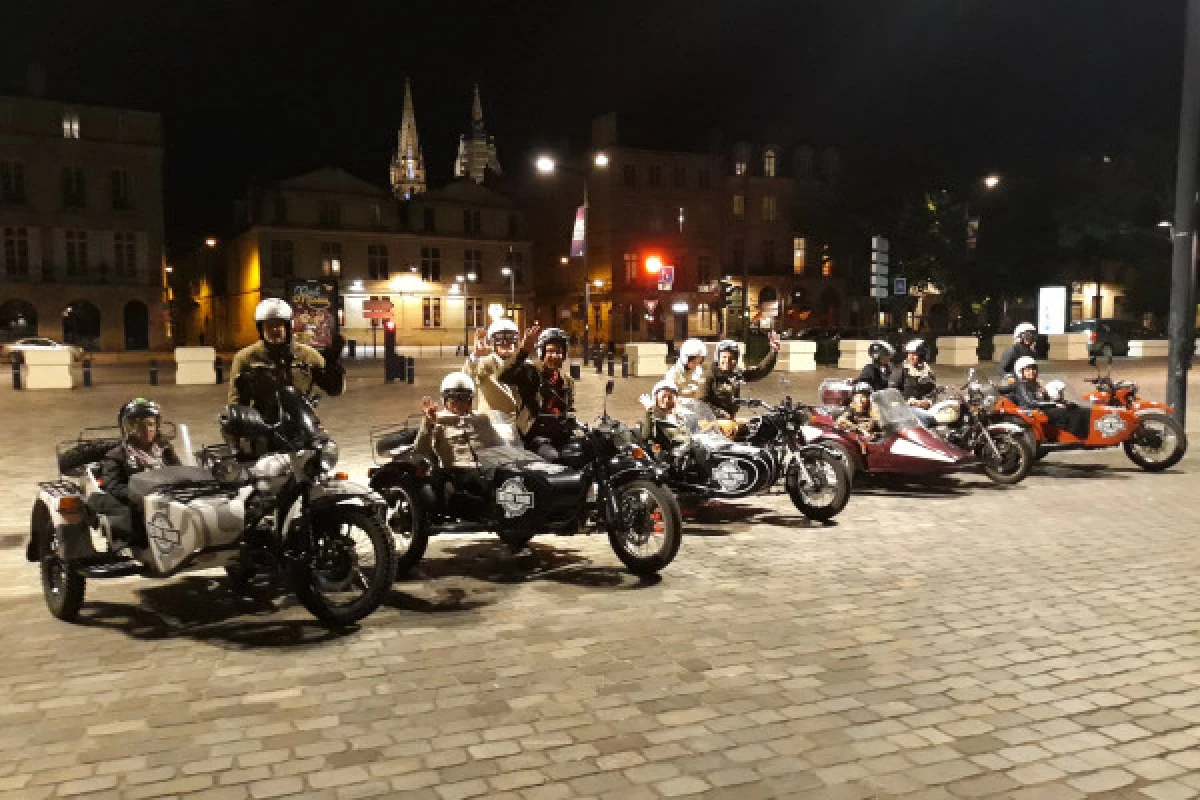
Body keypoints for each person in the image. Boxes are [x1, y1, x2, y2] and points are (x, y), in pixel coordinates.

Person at [416, 372, 528, 517]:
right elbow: (422, 448)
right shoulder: (437, 421)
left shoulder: (481, 419)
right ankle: (497, 508)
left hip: (486, 467)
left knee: (516, 476)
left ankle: (526, 508)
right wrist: (428, 423)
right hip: (458, 470)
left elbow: (498, 443)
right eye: (453, 399)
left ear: (470, 400)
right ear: (445, 400)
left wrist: (514, 453)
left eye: (464, 398)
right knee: (479, 480)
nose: (459, 403)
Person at [229, 298, 345, 418]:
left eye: (278, 324)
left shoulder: (307, 355)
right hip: (262, 424)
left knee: (323, 437)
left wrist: (333, 365)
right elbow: (236, 400)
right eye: (269, 325)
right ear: (260, 329)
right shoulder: (245, 358)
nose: (274, 329)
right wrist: (240, 420)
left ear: (288, 326)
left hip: (301, 422)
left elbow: (335, 390)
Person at [97, 398, 181, 546]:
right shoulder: (116, 455)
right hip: (142, 505)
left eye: (151, 424)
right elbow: (114, 487)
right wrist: (141, 494)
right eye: (140, 425)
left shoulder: (165, 449)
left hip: (168, 499)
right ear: (128, 428)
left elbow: (180, 472)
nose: (147, 429)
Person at [499, 324, 577, 459]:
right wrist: (523, 351)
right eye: (550, 351)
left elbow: (569, 409)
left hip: (560, 434)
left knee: (584, 452)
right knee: (554, 457)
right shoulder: (530, 372)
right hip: (535, 435)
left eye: (559, 352)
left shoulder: (567, 381)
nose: (555, 356)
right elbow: (503, 376)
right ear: (542, 353)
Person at [702, 334, 782, 419]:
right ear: (717, 358)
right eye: (724, 357)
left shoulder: (736, 374)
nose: (727, 361)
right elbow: (702, 402)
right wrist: (719, 413)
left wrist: (774, 352)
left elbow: (760, 371)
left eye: (731, 358)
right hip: (711, 422)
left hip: (730, 420)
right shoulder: (709, 376)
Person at [1011, 356, 1091, 439]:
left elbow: (1045, 399)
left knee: (1076, 408)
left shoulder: (1034, 384)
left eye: (1034, 369)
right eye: (1028, 370)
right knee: (1072, 412)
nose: (1032, 372)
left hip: (1043, 409)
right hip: (1035, 412)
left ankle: (1089, 433)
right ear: (1021, 372)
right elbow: (1031, 402)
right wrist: (1054, 404)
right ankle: (1081, 435)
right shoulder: (1022, 385)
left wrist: (1060, 402)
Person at [463, 318, 519, 414]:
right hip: (491, 420)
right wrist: (476, 356)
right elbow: (467, 377)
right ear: (492, 342)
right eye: (500, 339)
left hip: (518, 422)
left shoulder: (524, 363)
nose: (505, 343)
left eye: (510, 338)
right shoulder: (484, 363)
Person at [890, 338, 938, 426]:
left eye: (914, 354)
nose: (910, 357)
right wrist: (909, 401)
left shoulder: (928, 372)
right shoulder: (900, 370)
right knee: (925, 420)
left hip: (925, 409)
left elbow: (933, 392)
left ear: (922, 356)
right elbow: (891, 394)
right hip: (905, 411)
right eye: (909, 353)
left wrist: (928, 402)